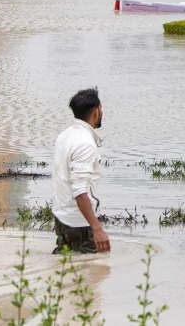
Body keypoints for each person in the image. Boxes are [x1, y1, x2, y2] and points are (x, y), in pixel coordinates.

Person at [52, 88, 110, 254]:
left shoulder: (65, 135)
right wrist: (97, 229)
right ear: (96, 111)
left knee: (68, 270)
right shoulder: (85, 143)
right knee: (96, 272)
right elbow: (79, 190)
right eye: (102, 109)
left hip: (61, 217)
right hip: (80, 223)